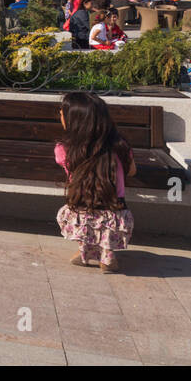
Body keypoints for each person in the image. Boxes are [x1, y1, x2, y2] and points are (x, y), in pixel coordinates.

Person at [55, 92, 136, 272]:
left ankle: (86, 251)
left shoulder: (64, 148)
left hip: (80, 207)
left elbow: (71, 175)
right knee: (105, 222)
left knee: (87, 217)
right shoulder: (120, 145)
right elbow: (132, 171)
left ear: (73, 120)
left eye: (62, 113)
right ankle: (107, 256)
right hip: (116, 210)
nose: (59, 115)